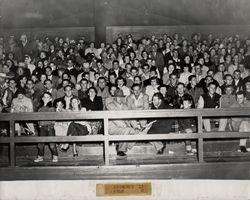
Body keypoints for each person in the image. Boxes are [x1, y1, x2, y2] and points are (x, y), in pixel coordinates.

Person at [106, 89, 151, 158]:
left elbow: (131, 117)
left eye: (122, 97)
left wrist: (135, 127)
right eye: (118, 97)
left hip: (125, 127)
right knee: (127, 130)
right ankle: (120, 151)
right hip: (113, 128)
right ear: (114, 97)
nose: (120, 98)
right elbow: (115, 119)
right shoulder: (110, 105)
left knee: (138, 132)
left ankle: (123, 145)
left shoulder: (125, 106)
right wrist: (125, 126)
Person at [34, 92, 58, 163]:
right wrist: (39, 125)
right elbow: (37, 118)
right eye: (44, 97)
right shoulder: (40, 108)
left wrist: (51, 125)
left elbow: (53, 118)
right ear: (42, 98)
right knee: (40, 144)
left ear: (50, 99)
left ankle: (55, 156)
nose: (45, 98)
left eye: (47, 97)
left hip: (49, 127)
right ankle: (40, 156)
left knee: (52, 144)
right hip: (42, 127)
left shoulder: (52, 108)